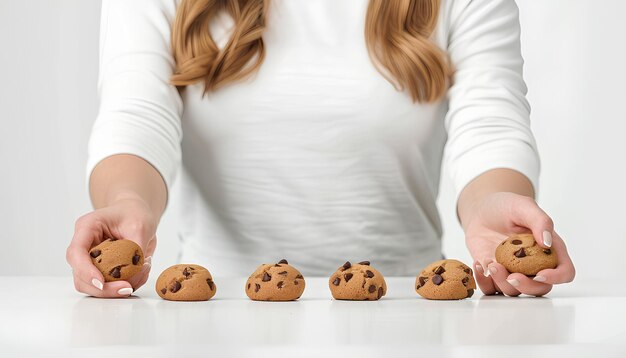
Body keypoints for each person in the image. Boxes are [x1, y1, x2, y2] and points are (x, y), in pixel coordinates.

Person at [66, 0, 575, 298]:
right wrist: (128, 204)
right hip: (216, 313)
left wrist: (492, 206)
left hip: (405, 311)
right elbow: (136, 114)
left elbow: (490, 121)